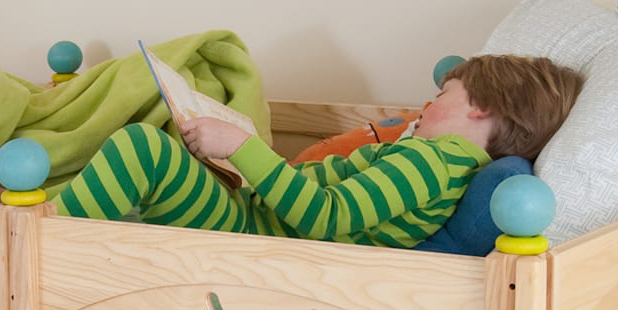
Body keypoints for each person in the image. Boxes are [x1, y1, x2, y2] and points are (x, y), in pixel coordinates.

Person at [56, 53, 582, 249]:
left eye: (444, 94)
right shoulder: (434, 161)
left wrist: (243, 148)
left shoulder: (434, 161)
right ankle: (43, 222)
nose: (428, 103)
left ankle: (32, 239)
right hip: (259, 226)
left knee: (143, 149)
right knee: (161, 156)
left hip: (255, 241)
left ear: (481, 108)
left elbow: (328, 218)